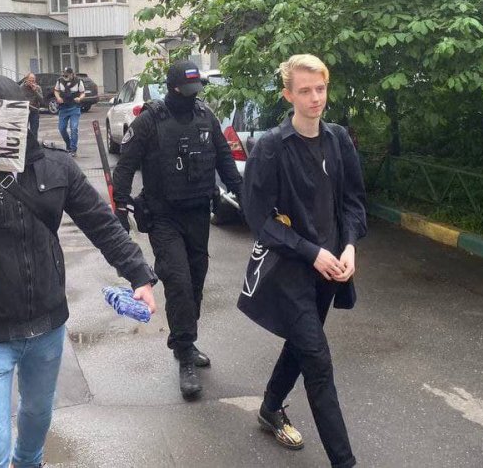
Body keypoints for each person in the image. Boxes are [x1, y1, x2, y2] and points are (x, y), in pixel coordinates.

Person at [0, 75, 157, 468]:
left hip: (47, 324)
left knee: (37, 416)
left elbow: (101, 224)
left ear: (23, 119)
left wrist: (139, 275)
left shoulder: (55, 167)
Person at [238, 54, 366, 468]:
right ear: (288, 95)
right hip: (290, 271)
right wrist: (312, 252)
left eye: (320, 89)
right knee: (318, 361)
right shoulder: (272, 148)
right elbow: (259, 219)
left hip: (330, 271)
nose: (315, 98)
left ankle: (269, 407)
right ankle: (344, 462)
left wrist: (349, 246)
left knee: (301, 344)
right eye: (305, 90)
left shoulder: (339, 139)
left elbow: (353, 202)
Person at [111, 59, 242, 399]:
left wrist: (245, 197)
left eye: (196, 90)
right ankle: (184, 354)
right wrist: (120, 208)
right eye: (187, 91)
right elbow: (125, 167)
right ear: (172, 89)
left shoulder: (205, 116)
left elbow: (225, 161)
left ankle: (187, 339)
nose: (193, 96)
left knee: (195, 281)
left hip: (198, 213)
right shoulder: (149, 121)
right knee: (179, 282)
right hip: (163, 216)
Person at [54, 67, 85, 154]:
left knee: (74, 128)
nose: (65, 76)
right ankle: (69, 144)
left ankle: (73, 148)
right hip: (63, 108)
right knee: (62, 128)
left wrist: (80, 98)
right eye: (64, 74)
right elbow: (56, 91)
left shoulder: (78, 81)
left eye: (67, 74)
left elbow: (83, 93)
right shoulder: (60, 81)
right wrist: (58, 97)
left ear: (72, 74)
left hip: (74, 107)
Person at [19, 72, 44, 141]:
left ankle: (34, 145)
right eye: (30, 80)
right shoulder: (21, 88)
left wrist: (35, 91)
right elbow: (19, 99)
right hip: (25, 111)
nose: (31, 82)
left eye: (33, 80)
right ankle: (25, 145)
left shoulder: (38, 88)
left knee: (34, 131)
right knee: (24, 130)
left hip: (34, 111)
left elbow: (42, 101)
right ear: (26, 80)